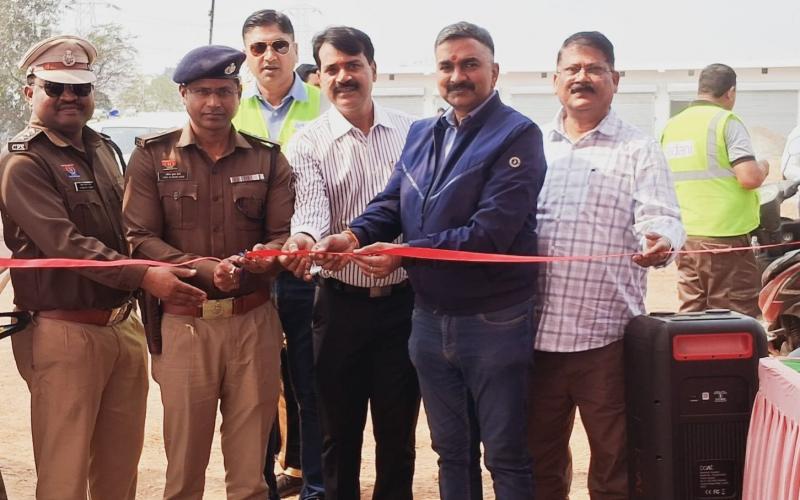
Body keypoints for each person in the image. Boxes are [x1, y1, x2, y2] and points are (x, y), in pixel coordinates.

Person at [312, 22, 546, 500]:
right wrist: (352, 234)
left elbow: (490, 234)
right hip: (428, 319)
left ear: (494, 71)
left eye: (470, 64)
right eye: (447, 66)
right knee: (451, 451)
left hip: (494, 320)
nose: (457, 75)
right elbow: (391, 203)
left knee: (504, 454)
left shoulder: (518, 135)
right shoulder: (423, 133)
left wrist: (402, 256)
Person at [0, 35, 206, 500]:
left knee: (119, 471)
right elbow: (67, 244)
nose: (69, 97)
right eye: (55, 88)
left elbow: (130, 230)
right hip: (63, 333)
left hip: (121, 325)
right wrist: (144, 275)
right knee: (64, 475)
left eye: (80, 88)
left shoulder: (104, 149)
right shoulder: (23, 161)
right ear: (29, 91)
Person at [123, 45, 293, 499]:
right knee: (184, 467)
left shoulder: (268, 159)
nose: (213, 103)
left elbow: (282, 234)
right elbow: (137, 237)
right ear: (183, 94)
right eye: (202, 92)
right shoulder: (152, 158)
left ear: (239, 94)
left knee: (250, 472)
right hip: (184, 324)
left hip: (253, 321)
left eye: (224, 91)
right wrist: (202, 270)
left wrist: (253, 260)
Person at [529, 31, 685, 499]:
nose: (583, 77)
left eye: (594, 69)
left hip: (607, 338)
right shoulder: (531, 144)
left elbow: (662, 216)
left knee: (616, 462)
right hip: (534, 336)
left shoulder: (638, 148)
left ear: (615, 80)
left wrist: (660, 240)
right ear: (555, 80)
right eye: (572, 69)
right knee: (538, 459)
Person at [276, 26, 421, 500]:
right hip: (337, 308)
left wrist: (401, 253)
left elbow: (423, 212)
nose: (344, 77)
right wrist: (305, 241)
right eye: (332, 69)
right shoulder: (306, 143)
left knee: (397, 438)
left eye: (353, 65)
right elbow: (312, 214)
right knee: (337, 437)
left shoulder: (415, 135)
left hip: (403, 306)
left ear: (373, 70)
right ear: (318, 78)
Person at [233, 9, 325, 500]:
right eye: (258, 47)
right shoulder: (227, 106)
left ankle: (314, 484)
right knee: (256, 389)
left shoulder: (325, 103)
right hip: (252, 272)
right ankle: (263, 482)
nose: (270, 55)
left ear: (295, 48)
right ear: (247, 55)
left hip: (309, 273)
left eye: (279, 45)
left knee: (310, 386)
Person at [662, 63, 768, 318]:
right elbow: (749, 178)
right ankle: (731, 361)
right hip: (724, 237)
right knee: (734, 316)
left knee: (692, 314)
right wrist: (764, 166)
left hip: (686, 238)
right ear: (730, 92)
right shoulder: (725, 121)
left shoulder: (671, 127)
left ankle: (692, 359)